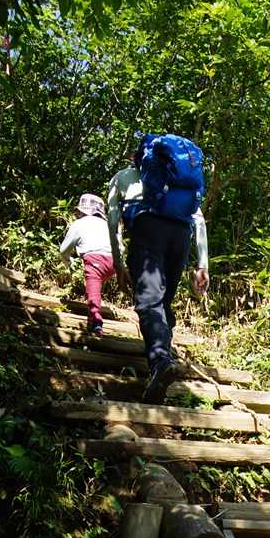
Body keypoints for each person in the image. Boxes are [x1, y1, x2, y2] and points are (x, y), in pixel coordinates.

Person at [107, 140, 209, 404]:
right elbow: (198, 220)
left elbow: (113, 220)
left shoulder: (123, 177)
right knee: (163, 301)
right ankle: (162, 360)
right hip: (180, 235)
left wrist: (118, 263)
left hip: (147, 230)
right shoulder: (175, 181)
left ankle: (161, 362)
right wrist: (202, 265)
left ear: (136, 157)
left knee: (149, 301)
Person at [59, 193, 115, 336]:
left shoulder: (80, 223)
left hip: (94, 259)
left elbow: (64, 250)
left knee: (93, 286)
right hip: (114, 262)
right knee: (96, 284)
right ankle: (94, 315)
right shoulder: (108, 224)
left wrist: (68, 262)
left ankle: (96, 322)